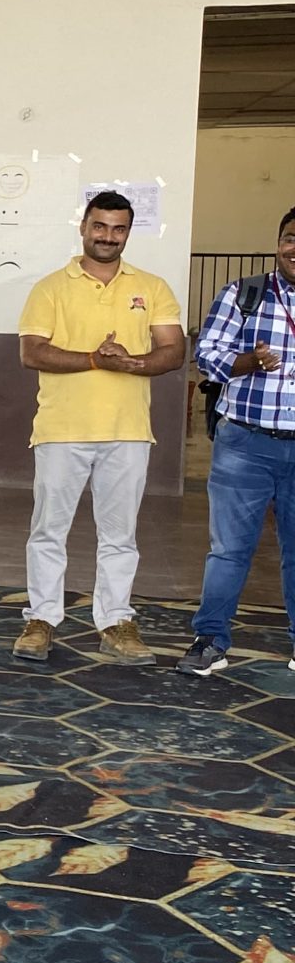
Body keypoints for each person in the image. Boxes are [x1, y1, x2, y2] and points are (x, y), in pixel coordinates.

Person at [13, 192, 185, 665]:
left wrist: (133, 363)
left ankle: (115, 622)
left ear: (128, 232)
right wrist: (94, 358)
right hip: (60, 430)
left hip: (128, 431)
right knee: (49, 529)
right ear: (83, 226)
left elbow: (173, 350)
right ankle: (41, 619)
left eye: (118, 228)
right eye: (100, 226)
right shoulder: (49, 287)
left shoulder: (151, 287)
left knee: (120, 534)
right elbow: (32, 352)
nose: (108, 236)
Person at [177, 209, 295, 676]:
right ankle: (210, 641)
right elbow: (207, 355)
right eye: (289, 238)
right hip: (245, 444)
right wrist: (249, 360)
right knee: (229, 549)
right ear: (278, 242)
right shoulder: (244, 294)